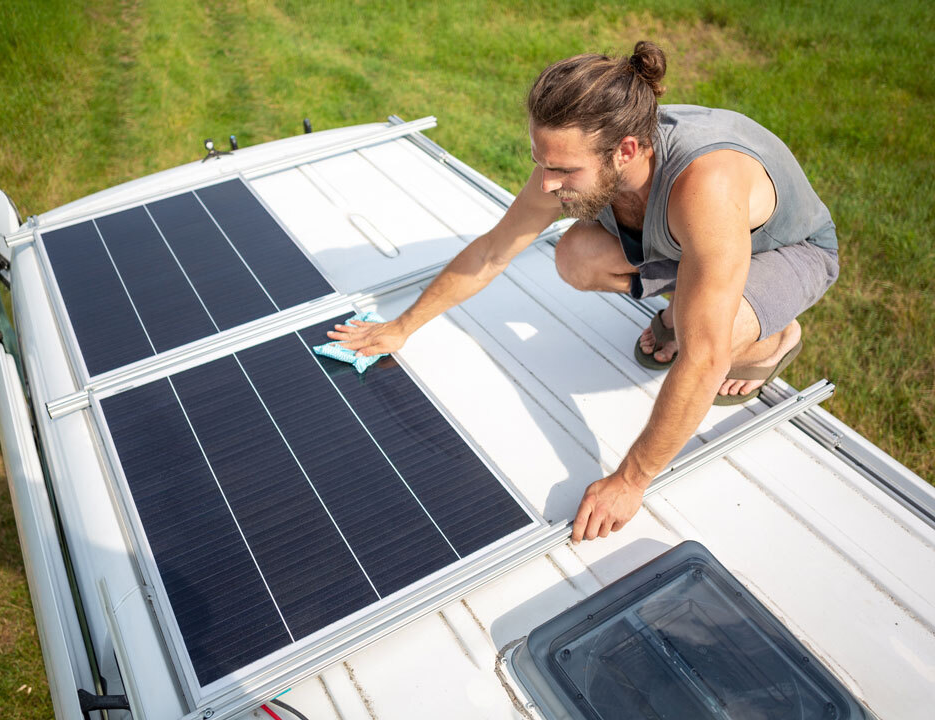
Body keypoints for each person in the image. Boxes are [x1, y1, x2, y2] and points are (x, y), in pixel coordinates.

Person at [326, 41, 839, 543]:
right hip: (702, 244)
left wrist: (630, 480)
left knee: (710, 338)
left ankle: (773, 339)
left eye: (563, 171)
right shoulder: (584, 152)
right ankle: (697, 301)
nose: (546, 184)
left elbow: (704, 361)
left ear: (627, 151)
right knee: (575, 257)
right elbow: (493, 251)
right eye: (541, 162)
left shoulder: (707, 185)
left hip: (789, 252)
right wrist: (401, 327)